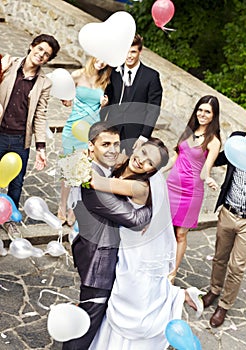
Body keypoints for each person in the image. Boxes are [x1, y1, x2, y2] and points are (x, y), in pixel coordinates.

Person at [89, 137, 205, 349]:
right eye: (142, 153)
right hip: (127, 240)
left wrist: (74, 167)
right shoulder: (127, 163)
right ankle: (180, 295)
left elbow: (96, 182)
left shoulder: (139, 187)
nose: (142, 161)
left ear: (153, 170)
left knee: (132, 297)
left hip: (137, 249)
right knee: (133, 291)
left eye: (150, 162)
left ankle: (177, 298)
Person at [62, 121, 152, 350]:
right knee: (85, 326)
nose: (112, 149)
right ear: (91, 146)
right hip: (98, 263)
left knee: (89, 315)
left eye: (116, 144)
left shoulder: (101, 169)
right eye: (105, 144)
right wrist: (155, 207)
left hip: (94, 249)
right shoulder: (92, 183)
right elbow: (134, 219)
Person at [202, 101, 246, 327]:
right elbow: (217, 157)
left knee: (237, 267)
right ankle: (213, 291)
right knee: (219, 258)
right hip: (228, 211)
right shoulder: (238, 139)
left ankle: (224, 306)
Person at [0, 34, 60, 239]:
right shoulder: (8, 65)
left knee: (16, 182)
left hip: (19, 139)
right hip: (0, 131)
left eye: (47, 54)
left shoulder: (45, 83)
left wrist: (41, 148)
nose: (41, 55)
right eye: (40, 49)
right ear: (31, 46)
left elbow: (40, 114)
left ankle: (9, 219)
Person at [165, 95, 221, 281]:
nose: (202, 114)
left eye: (207, 112)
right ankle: (160, 262)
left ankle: (172, 272)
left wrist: (209, 180)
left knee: (180, 234)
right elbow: (175, 157)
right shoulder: (189, 131)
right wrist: (156, 170)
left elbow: (206, 170)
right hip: (171, 187)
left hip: (191, 193)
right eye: (200, 110)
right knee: (165, 229)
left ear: (214, 116)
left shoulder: (213, 141)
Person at [58, 56, 111, 227]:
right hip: (72, 128)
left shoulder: (105, 80)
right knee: (68, 170)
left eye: (106, 60)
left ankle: (73, 208)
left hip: (90, 132)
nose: (101, 62)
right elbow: (64, 95)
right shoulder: (77, 75)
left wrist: (103, 105)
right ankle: (62, 205)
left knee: (81, 172)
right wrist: (66, 100)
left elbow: (98, 109)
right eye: (100, 57)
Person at [101, 33, 163, 156]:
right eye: (126, 52)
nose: (129, 56)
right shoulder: (113, 72)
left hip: (136, 133)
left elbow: (153, 109)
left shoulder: (151, 76)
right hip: (112, 129)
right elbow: (107, 99)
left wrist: (144, 137)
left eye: (133, 52)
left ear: (140, 51)